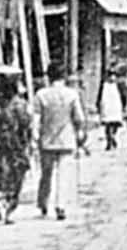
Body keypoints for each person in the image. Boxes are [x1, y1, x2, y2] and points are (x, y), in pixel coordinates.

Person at [32, 62, 87, 220]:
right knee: (64, 174)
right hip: (66, 140)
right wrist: (80, 132)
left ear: (48, 76)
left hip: (46, 140)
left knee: (46, 174)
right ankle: (60, 206)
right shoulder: (71, 94)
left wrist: (35, 136)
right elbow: (79, 117)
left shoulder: (41, 95)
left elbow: (36, 119)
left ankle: (43, 203)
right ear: (64, 77)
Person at [0, 72, 30, 223]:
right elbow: (25, 124)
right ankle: (8, 207)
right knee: (16, 174)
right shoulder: (19, 105)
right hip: (14, 143)